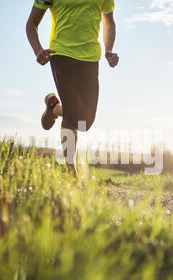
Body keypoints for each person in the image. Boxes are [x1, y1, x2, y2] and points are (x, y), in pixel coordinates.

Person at [26, 0, 119, 175]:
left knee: (85, 122)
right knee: (73, 114)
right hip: (61, 55)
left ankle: (54, 109)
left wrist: (109, 50)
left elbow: (109, 21)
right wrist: (37, 50)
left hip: (90, 58)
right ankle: (71, 170)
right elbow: (31, 23)